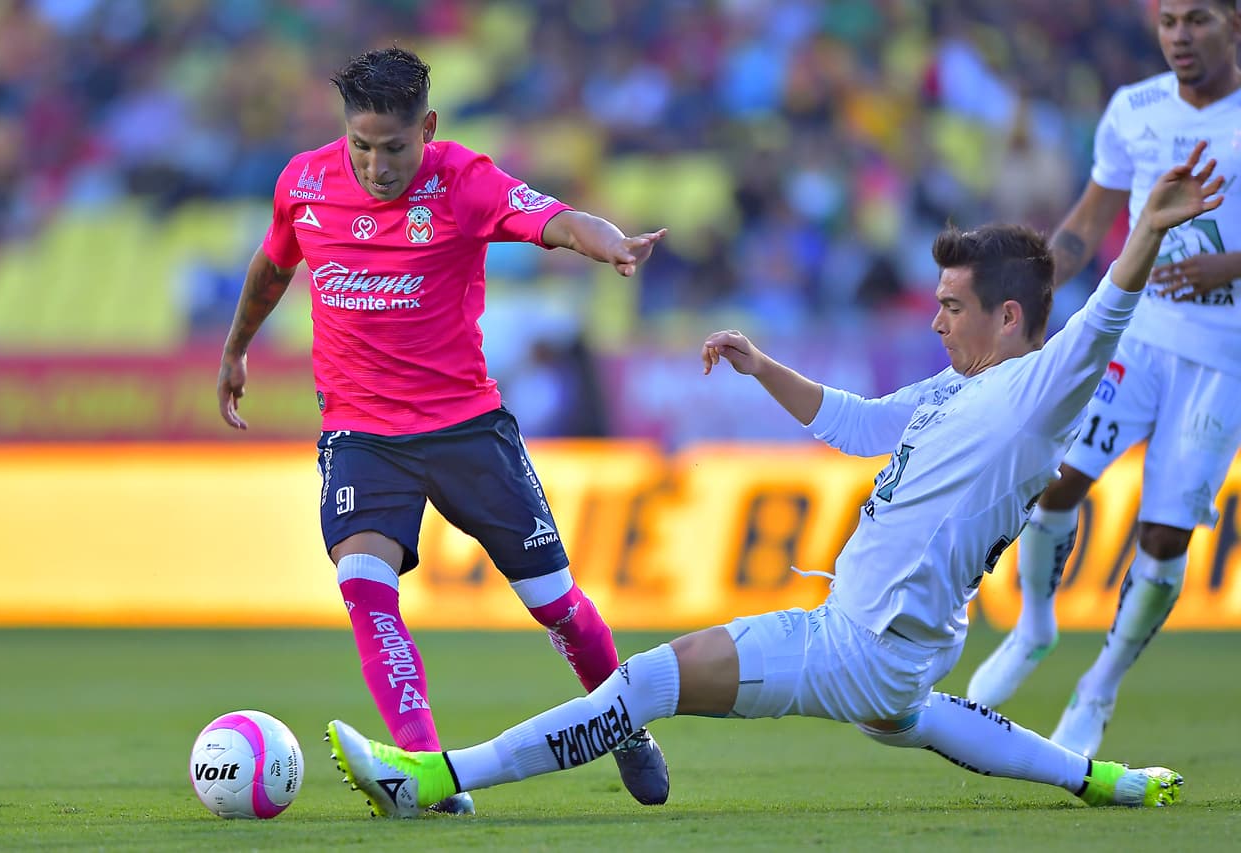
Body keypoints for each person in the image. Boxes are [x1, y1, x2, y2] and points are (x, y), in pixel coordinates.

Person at [321, 146, 1223, 818]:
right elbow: (859, 422)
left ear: (1011, 315)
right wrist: (762, 366)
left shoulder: (1038, 390)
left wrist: (1146, 226)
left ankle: (434, 775)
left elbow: (1105, 315)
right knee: (916, 717)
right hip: (906, 647)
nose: (938, 320)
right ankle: (1100, 776)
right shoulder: (963, 386)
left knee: (648, 681)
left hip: (857, 641)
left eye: (952, 306)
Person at [215, 47, 671, 814]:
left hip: (468, 429)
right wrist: (236, 348)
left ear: (426, 128)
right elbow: (272, 267)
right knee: (363, 584)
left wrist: (611, 244)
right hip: (362, 433)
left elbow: (556, 220)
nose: (375, 164)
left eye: (393, 146)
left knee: (556, 604)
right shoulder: (303, 181)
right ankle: (423, 771)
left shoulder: (464, 180)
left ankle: (623, 724)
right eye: (361, 145)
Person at [967, 0, 1241, 757]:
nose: (1181, 37)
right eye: (1169, 23)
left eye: (1199, 21)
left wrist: (1230, 264)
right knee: (1055, 479)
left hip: (1223, 356)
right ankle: (1033, 625)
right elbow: (1088, 223)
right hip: (1137, 333)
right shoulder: (1135, 110)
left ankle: (1101, 686)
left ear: (1236, 25)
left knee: (1163, 531)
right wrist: (1027, 299)